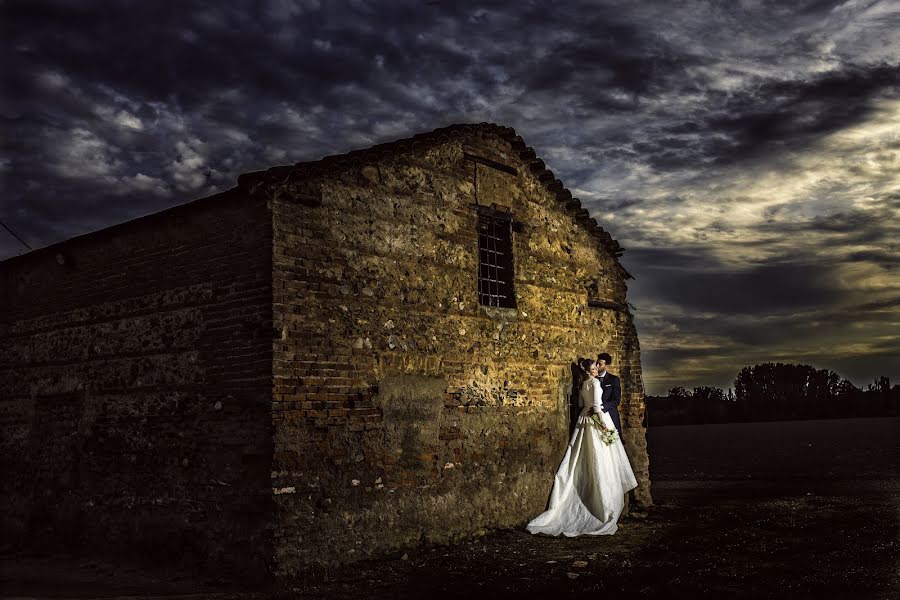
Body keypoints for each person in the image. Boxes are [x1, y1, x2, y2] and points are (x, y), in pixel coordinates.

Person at [526, 358, 638, 536]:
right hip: (595, 419)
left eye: (596, 368)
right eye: (593, 368)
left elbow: (580, 405)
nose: (595, 371)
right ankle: (603, 502)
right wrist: (604, 426)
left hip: (583, 420)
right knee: (601, 458)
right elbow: (596, 406)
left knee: (582, 455)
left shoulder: (582, 384)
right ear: (589, 370)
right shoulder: (594, 382)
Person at [596, 352, 622, 435]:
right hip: (596, 416)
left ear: (606, 365)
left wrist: (602, 408)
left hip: (610, 414)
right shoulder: (592, 379)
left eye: (600, 364)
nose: (597, 366)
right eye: (597, 363)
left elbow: (616, 400)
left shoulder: (613, 379)